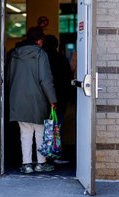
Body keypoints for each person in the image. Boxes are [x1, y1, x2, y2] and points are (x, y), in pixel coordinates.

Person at [7, 27, 57, 174]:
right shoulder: (41, 54)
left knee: (25, 132)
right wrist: (53, 99)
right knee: (40, 131)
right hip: (38, 99)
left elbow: (9, 77)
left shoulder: (14, 54)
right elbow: (45, 80)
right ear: (39, 40)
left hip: (18, 99)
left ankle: (27, 164)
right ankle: (41, 163)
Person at [43, 35, 73, 164]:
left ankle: (41, 156)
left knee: (41, 128)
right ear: (56, 45)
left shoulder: (41, 59)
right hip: (58, 100)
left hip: (42, 99)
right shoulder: (62, 60)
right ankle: (54, 155)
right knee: (55, 128)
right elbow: (67, 80)